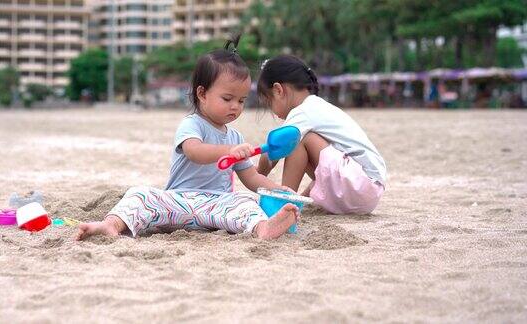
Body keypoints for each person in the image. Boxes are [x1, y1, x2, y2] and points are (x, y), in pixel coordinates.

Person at [76, 35, 299, 241]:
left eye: (241, 101)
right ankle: (111, 224)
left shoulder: (234, 136)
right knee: (139, 194)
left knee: (245, 201)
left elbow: (251, 177)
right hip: (178, 203)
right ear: (202, 94)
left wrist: (276, 189)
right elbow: (194, 151)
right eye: (227, 98)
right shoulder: (191, 124)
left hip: (215, 207)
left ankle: (263, 228)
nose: (235, 106)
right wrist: (228, 151)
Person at [256, 55, 386, 215]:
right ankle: (296, 202)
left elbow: (274, 150)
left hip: (360, 185)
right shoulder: (318, 106)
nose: (273, 112)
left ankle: (284, 206)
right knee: (309, 144)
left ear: (278, 90)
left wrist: (256, 175)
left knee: (298, 140)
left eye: (269, 103)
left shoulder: (303, 111)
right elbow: (323, 168)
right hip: (368, 192)